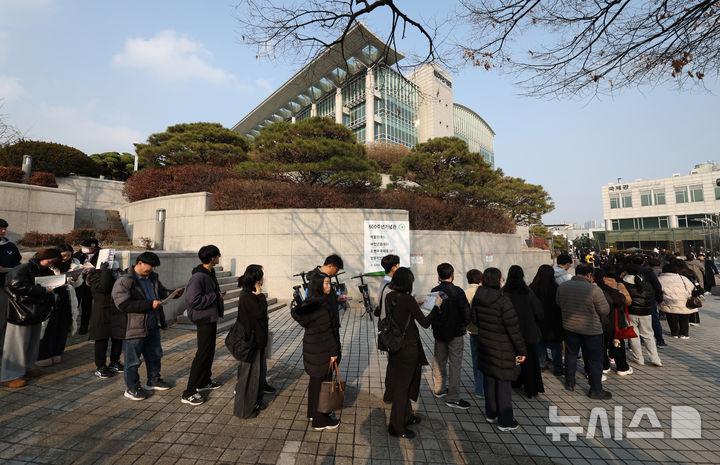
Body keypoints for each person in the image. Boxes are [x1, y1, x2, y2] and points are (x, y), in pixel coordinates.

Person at [112, 252, 180, 401]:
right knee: (132, 361)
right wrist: (149, 304)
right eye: (150, 266)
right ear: (139, 263)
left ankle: (153, 380)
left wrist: (172, 293)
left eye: (153, 267)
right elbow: (123, 304)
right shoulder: (125, 280)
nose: (151, 270)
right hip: (133, 327)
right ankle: (132, 388)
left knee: (155, 355)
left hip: (152, 324)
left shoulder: (152, 278)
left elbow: (160, 292)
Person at [383, 267, 437, 438]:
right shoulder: (407, 299)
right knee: (402, 387)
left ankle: (406, 416)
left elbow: (401, 312)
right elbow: (425, 323)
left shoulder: (390, 296)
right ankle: (396, 426)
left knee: (402, 384)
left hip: (395, 345)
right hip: (408, 348)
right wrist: (436, 307)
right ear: (408, 283)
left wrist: (415, 305)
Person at [471, 267, 526, 431]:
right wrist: (521, 350)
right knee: (503, 383)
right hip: (503, 347)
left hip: (485, 344)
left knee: (489, 379)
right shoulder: (503, 300)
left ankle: (491, 413)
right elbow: (513, 328)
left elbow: (474, 318)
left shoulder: (478, 296)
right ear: (498, 279)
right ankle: (505, 420)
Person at [1, 248, 60, 388]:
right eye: (49, 260)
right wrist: (42, 290)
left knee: (32, 342)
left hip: (35, 311)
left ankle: (27, 367)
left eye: (53, 261)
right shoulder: (22, 268)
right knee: (16, 344)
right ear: (41, 258)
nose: (51, 263)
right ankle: (8, 375)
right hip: (20, 311)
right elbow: (16, 284)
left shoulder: (44, 270)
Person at [291, 273, 342, 431]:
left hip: (312, 347)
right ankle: (320, 421)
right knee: (323, 383)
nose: (329, 286)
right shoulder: (322, 306)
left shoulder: (310, 302)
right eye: (326, 283)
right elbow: (327, 333)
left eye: (329, 283)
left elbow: (296, 313)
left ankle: (313, 413)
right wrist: (334, 352)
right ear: (318, 285)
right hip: (321, 350)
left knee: (315, 382)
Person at [556, 263, 611, 399]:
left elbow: (559, 303)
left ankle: (570, 382)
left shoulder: (563, 287)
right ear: (589, 275)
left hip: (570, 326)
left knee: (571, 354)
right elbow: (604, 310)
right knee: (594, 359)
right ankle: (596, 389)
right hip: (591, 329)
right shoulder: (594, 290)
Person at [181, 245, 225, 406]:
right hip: (203, 318)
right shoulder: (198, 277)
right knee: (202, 354)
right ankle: (189, 392)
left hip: (210, 317)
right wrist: (215, 296)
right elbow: (193, 300)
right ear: (212, 258)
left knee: (209, 352)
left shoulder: (209, 272)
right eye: (218, 255)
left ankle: (204, 381)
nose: (219, 257)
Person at [430, 263, 471, 410]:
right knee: (455, 364)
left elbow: (431, 312)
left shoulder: (434, 291)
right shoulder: (458, 291)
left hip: (439, 332)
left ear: (439, 275)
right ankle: (453, 397)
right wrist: (464, 325)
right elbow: (466, 312)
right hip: (456, 333)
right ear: (452, 275)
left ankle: (439, 389)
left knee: (439, 361)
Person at [36, 243, 82, 367]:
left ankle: (57, 352)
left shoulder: (74, 264)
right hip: (50, 298)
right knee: (49, 327)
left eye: (69, 256)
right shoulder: (48, 264)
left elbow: (77, 284)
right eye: (63, 256)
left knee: (63, 326)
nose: (66, 258)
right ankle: (43, 355)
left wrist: (75, 279)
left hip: (66, 298)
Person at [503, 265, 544, 398]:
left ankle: (515, 381)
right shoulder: (528, 292)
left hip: (510, 333)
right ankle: (531, 388)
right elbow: (539, 312)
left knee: (515, 358)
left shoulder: (504, 293)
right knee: (530, 360)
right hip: (528, 332)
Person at [234, 264, 269, 418]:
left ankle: (255, 403)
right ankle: (244, 411)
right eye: (261, 278)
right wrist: (260, 296)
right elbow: (260, 313)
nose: (262, 280)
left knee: (257, 375)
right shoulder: (248, 295)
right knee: (248, 377)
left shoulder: (250, 293)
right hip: (251, 343)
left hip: (257, 341)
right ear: (256, 280)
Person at [87, 259, 124, 378]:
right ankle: (101, 366)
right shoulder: (94, 276)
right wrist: (105, 271)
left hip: (116, 310)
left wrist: (116, 272)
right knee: (101, 340)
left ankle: (115, 362)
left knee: (117, 338)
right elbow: (105, 287)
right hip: (101, 312)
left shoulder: (116, 273)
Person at [622, 264, 663, 367]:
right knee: (648, 335)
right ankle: (655, 358)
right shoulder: (645, 282)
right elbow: (652, 295)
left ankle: (638, 358)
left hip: (630, 312)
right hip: (646, 312)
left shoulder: (624, 282)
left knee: (633, 335)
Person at [594, 267, 633, 376]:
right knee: (617, 345)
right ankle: (622, 367)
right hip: (615, 321)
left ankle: (604, 366)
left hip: (599, 322)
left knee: (601, 345)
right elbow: (627, 301)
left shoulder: (595, 287)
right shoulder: (617, 286)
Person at [374, 254, 400, 404]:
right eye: (398, 265)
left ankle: (390, 394)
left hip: (386, 327)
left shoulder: (383, 283)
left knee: (392, 364)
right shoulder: (390, 286)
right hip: (391, 329)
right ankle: (391, 394)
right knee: (394, 364)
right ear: (394, 267)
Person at [529, 264, 564, 376]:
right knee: (555, 345)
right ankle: (558, 368)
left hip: (538, 321)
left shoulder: (532, 288)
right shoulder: (556, 287)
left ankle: (541, 364)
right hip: (554, 321)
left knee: (540, 343)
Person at [0, 218, 22, 379]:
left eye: (4, 229)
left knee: (4, 322)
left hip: (8, 288)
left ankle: (4, 354)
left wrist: (7, 269)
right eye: (0, 229)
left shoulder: (10, 246)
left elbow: (18, 265)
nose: (3, 231)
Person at [657, 262, 696, 339]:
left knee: (672, 317)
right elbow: (691, 286)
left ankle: (675, 333)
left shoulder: (661, 279)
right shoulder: (683, 277)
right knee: (684, 317)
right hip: (684, 300)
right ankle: (684, 334)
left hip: (669, 301)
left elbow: (658, 289)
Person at [73, 238, 101, 335]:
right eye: (85, 247)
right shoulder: (77, 255)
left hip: (90, 284)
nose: (87, 250)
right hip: (77, 283)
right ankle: (70, 325)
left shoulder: (100, 254)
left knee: (87, 306)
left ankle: (84, 327)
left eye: (90, 248)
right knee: (75, 305)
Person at [464, 268, 484, 397]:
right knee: (484, 361)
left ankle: (478, 387)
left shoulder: (465, 293)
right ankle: (481, 389)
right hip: (484, 331)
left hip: (471, 330)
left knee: (475, 359)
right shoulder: (483, 292)